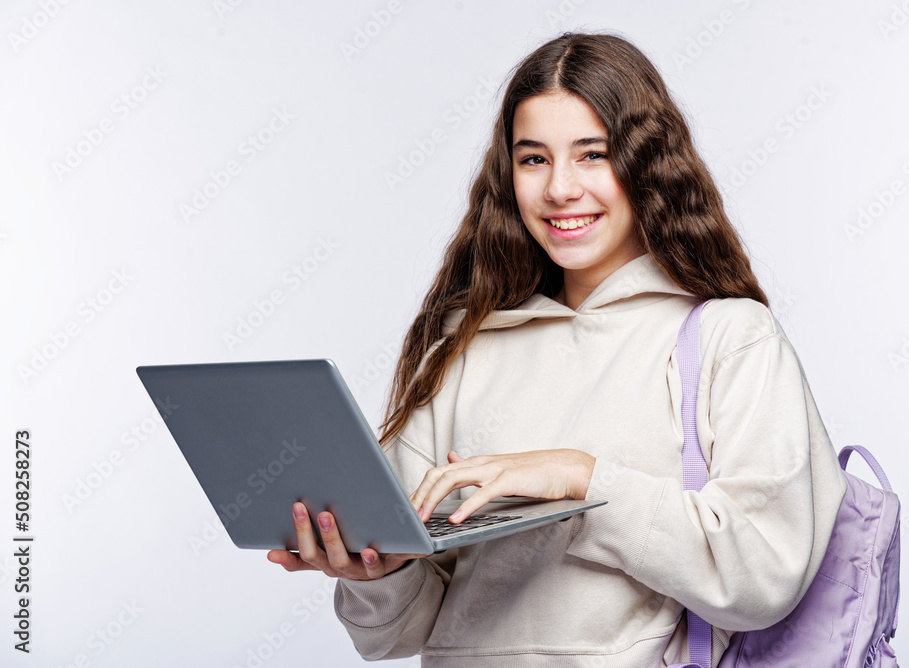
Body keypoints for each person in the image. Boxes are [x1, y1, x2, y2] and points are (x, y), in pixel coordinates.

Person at [267, 31, 848, 667]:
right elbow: (393, 636)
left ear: (648, 164)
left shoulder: (730, 338)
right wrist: (376, 571)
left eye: (593, 154)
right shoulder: (462, 346)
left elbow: (764, 579)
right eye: (534, 159)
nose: (560, 189)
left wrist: (579, 477)